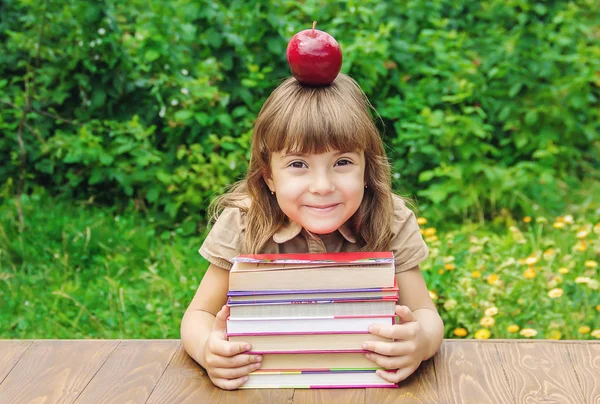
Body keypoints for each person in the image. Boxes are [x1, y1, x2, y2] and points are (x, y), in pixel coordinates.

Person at [180, 73, 444, 390]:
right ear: (270, 177)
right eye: (298, 165)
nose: (322, 187)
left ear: (366, 169)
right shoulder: (244, 220)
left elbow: (424, 313)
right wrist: (209, 348)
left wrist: (422, 342)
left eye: (342, 161)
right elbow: (197, 315)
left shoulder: (390, 218)